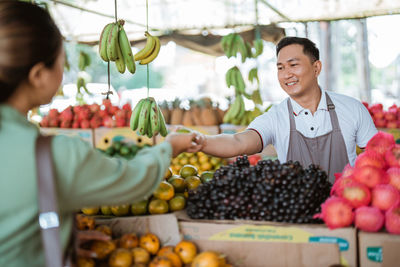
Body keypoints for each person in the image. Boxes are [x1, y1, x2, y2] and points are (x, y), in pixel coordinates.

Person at [0, 2, 200, 266]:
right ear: (38, 74)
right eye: (63, 60)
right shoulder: (52, 155)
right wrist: (170, 146)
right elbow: (132, 180)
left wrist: (49, 239)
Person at [196, 36, 377, 182]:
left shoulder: (352, 109)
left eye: (293, 65)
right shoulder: (276, 117)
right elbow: (238, 142)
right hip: (294, 217)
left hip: (347, 212)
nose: (286, 74)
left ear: (316, 68)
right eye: (280, 68)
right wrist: (201, 142)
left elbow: (378, 157)